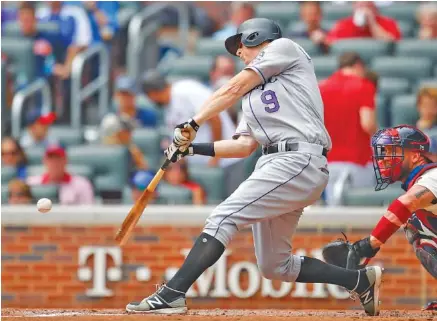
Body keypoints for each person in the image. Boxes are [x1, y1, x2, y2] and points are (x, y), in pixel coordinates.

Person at [126, 18, 383, 316]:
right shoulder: (252, 97)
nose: (238, 52)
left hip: (298, 158)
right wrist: (190, 148)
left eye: (240, 44)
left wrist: (195, 122)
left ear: (257, 37)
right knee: (276, 266)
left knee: (223, 216)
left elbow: (233, 87)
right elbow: (243, 146)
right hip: (275, 163)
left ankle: (173, 293)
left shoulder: (284, 49)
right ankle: (359, 280)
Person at [322, 125, 437, 311]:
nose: (383, 159)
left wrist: (368, 245)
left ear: (416, 156)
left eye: (393, 152)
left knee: (417, 225)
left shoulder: (433, 176)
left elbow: (405, 204)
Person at [141, 70, 238, 168]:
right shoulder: (168, 105)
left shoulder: (185, 91)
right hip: (203, 165)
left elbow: (214, 118)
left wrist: (215, 156)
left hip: (227, 161)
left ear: (153, 94)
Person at [320, 52, 377, 206]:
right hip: (358, 162)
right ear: (358, 66)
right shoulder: (364, 85)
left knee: (333, 210)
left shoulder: (321, 87)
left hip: (327, 162)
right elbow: (368, 124)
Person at [27, 143, 95, 204]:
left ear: (66, 160)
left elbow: (88, 210)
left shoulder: (82, 184)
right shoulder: (32, 183)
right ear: (44, 161)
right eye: (51, 159)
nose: (55, 162)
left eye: (58, 158)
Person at [326, 1, 401, 44]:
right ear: (354, 6)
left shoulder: (388, 22)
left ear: (374, 7)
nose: (364, 10)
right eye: (361, 6)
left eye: (368, 6)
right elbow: (331, 43)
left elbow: (391, 43)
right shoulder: (343, 24)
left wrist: (372, 23)